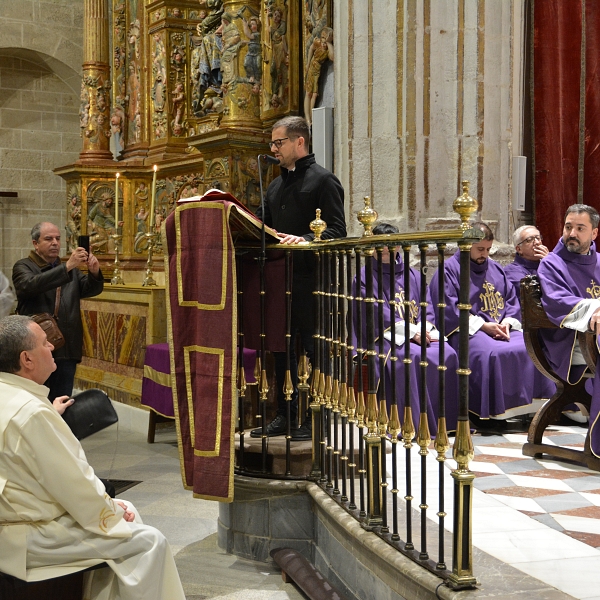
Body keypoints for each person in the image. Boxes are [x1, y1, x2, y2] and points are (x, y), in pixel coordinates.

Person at [0, 315, 186, 599]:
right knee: (149, 542)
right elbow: (73, 484)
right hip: (29, 537)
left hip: (15, 525)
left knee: (125, 514)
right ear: (27, 359)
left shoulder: (13, 396)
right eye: (44, 342)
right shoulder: (32, 414)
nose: (52, 346)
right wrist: (111, 510)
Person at [252, 115, 346, 440]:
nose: (274, 149)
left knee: (315, 352)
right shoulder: (276, 185)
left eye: (279, 142)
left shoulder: (324, 180)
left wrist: (305, 240)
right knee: (282, 350)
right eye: (273, 143)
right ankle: (287, 415)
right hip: (281, 283)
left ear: (299, 142)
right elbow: (261, 226)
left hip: (313, 284)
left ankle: (319, 418)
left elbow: (337, 231)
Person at [429, 222, 555, 421]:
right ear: (466, 245)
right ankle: (494, 413)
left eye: (488, 249)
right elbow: (448, 310)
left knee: (532, 346)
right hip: (467, 331)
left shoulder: (496, 268)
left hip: (501, 328)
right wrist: (484, 326)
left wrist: (507, 322)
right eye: (480, 249)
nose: (485, 254)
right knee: (493, 353)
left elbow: (511, 301)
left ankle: (530, 409)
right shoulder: (449, 271)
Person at [352, 224, 459, 435]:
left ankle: (447, 424)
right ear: (372, 246)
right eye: (379, 244)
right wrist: (412, 334)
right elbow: (375, 312)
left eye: (390, 243)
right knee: (409, 359)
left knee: (448, 353)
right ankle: (410, 424)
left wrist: (424, 330)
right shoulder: (364, 277)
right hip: (384, 337)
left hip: (418, 335)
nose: (385, 248)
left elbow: (426, 307)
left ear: (400, 245)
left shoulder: (415, 276)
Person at [12, 222, 104, 400]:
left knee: (62, 401)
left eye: (57, 238)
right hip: (35, 349)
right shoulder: (23, 266)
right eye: (48, 239)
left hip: (66, 347)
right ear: (35, 243)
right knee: (36, 400)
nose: (55, 242)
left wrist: (94, 273)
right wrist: (67, 267)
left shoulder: (69, 269)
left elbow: (89, 289)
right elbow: (30, 286)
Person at [537, 204, 600, 429]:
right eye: (568, 227)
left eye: (580, 228)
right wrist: (595, 310)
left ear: (594, 233)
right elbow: (557, 301)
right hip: (569, 343)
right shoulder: (552, 264)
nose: (572, 234)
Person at [505, 224, 549, 293]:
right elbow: (533, 295)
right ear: (519, 249)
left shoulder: (548, 263)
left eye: (538, 238)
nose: (537, 243)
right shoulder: (511, 271)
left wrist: (550, 264)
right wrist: (548, 266)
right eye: (530, 240)